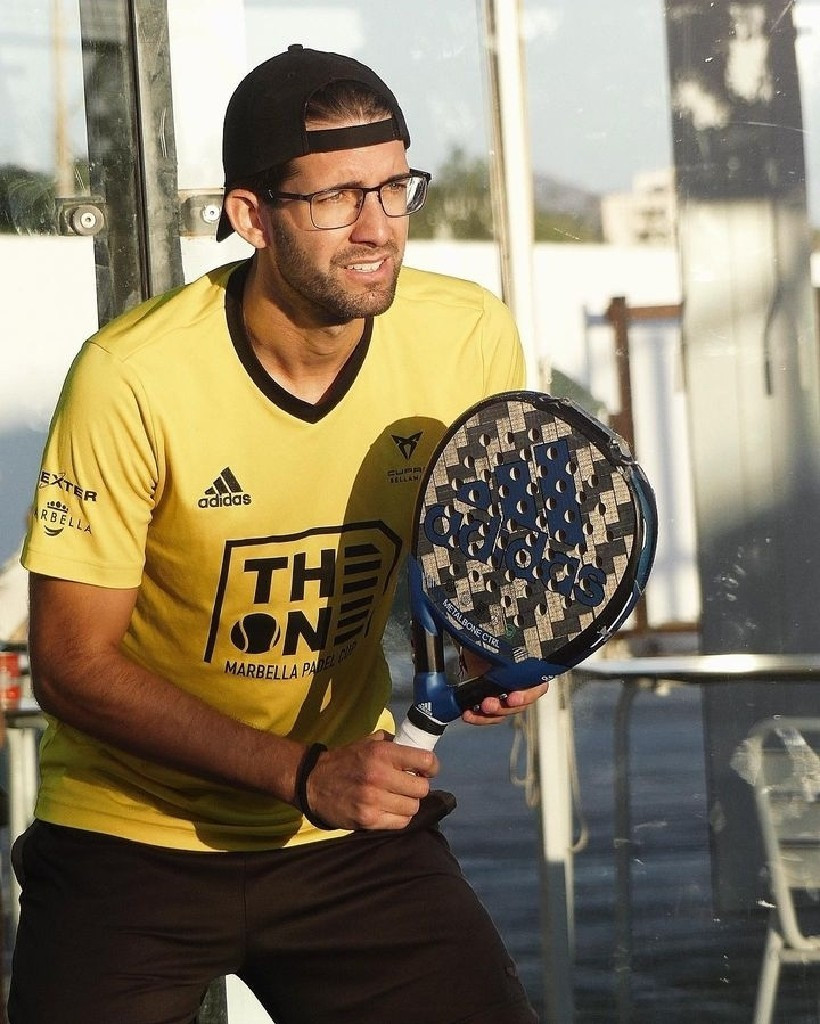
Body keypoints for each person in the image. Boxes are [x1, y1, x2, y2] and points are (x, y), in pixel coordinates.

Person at [10, 44, 548, 1024]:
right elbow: (72, 666)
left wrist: (486, 649)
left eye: (394, 187)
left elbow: (474, 564)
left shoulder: (467, 334)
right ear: (252, 217)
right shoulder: (130, 376)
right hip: (130, 841)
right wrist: (305, 773)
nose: (377, 228)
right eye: (335, 198)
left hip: (347, 845)